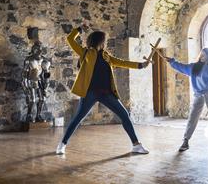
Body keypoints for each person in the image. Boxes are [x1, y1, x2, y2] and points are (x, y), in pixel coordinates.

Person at [56, 25, 150, 155]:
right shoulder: (86, 52)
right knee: (77, 119)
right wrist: (79, 29)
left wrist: (140, 65)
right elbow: (70, 39)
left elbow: (122, 62)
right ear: (99, 41)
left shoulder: (106, 56)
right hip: (90, 93)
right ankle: (62, 144)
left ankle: (136, 145)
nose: (105, 43)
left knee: (124, 115)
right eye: (104, 40)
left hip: (107, 93)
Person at [163, 48, 208, 151]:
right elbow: (182, 67)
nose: (202, 57)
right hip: (198, 95)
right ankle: (185, 141)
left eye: (204, 55)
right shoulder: (194, 67)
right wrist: (172, 62)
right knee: (192, 118)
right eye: (201, 55)